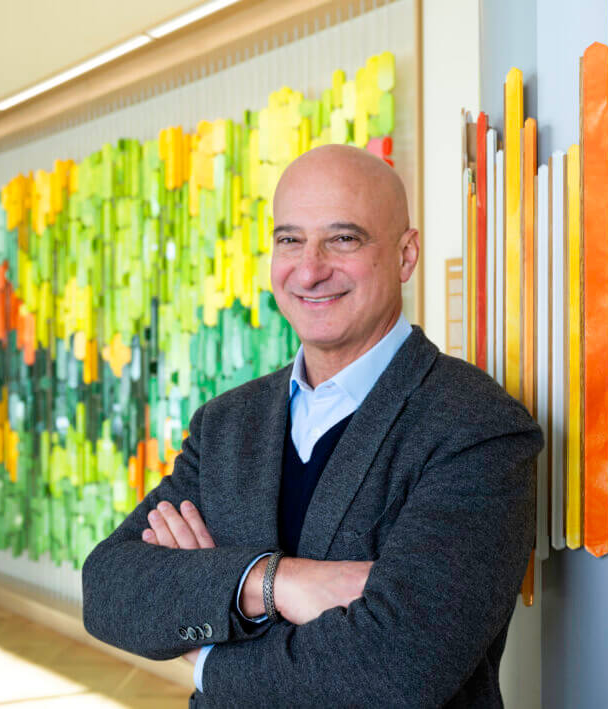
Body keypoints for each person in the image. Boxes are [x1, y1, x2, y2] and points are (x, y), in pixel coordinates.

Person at [82, 144, 543, 708]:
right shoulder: (227, 423)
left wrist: (209, 659)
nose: (309, 268)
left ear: (405, 255)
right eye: (289, 239)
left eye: (343, 238)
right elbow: (108, 588)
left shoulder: (477, 428)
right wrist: (274, 581)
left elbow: (394, 668)